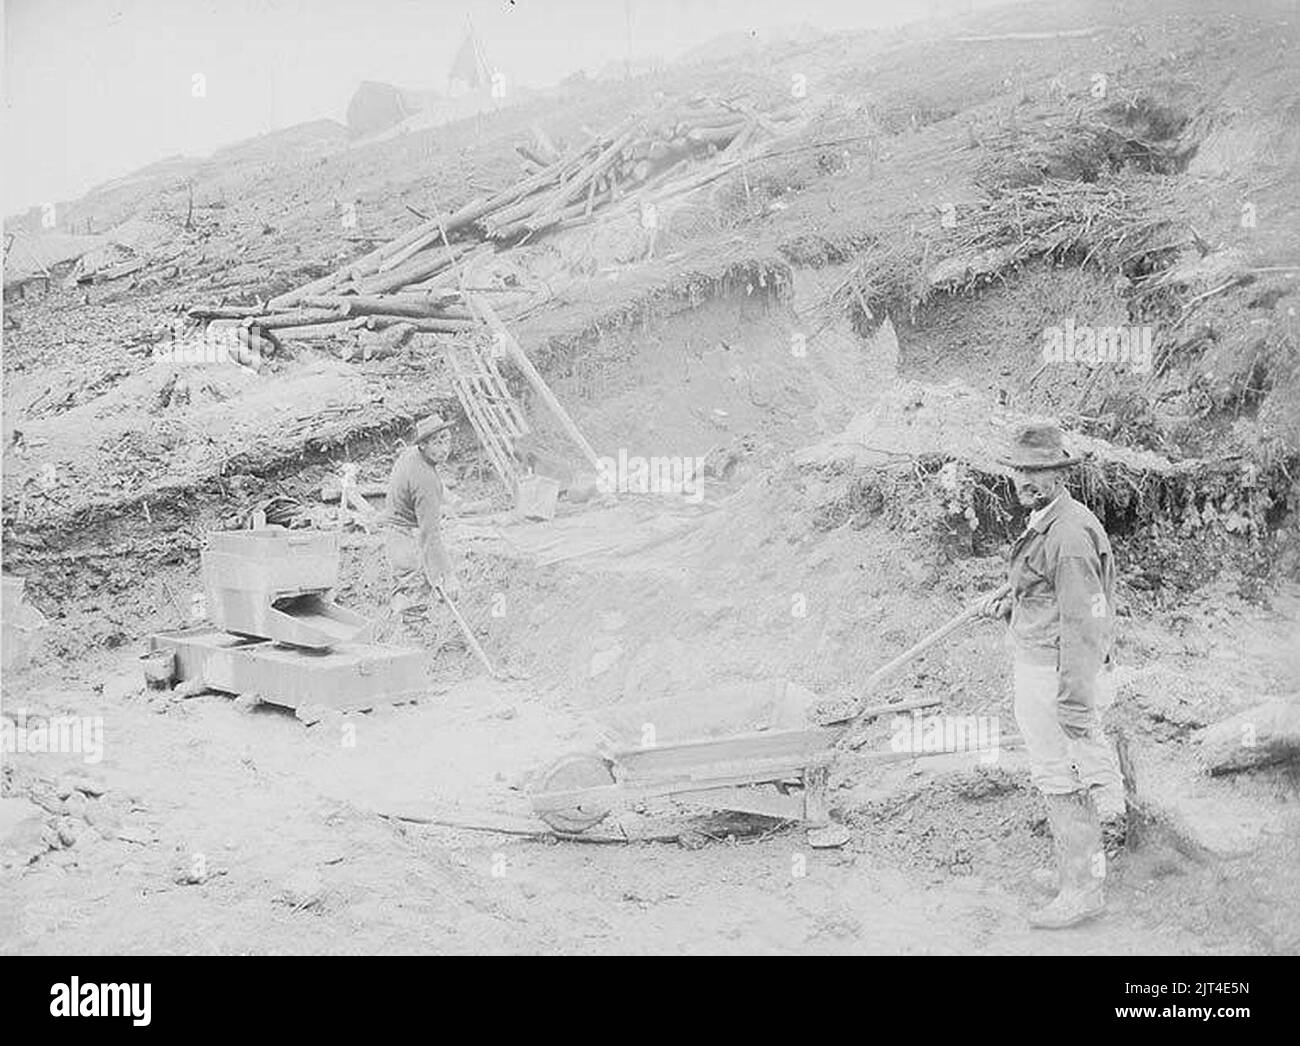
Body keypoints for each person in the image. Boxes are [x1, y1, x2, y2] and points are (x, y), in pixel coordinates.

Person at [977, 422, 1124, 929]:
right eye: (1022, 470)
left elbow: (1085, 625)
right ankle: (1074, 872)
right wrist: (1012, 598)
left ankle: (1083, 890)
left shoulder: (1068, 534)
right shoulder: (1045, 518)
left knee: (1064, 776)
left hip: (1058, 674)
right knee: (1053, 771)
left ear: (1062, 472)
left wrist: (1074, 701)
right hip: (1040, 665)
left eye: (1040, 471)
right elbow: (1046, 593)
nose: (1028, 480)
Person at [381, 415, 460, 630]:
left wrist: (449, 497)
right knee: (414, 588)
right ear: (423, 445)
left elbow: (431, 482)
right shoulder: (425, 480)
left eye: (446, 440)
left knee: (406, 587)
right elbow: (430, 535)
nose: (444, 448)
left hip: (394, 530)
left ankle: (399, 624)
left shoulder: (410, 455)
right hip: (405, 536)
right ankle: (415, 640)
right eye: (437, 443)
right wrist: (447, 575)